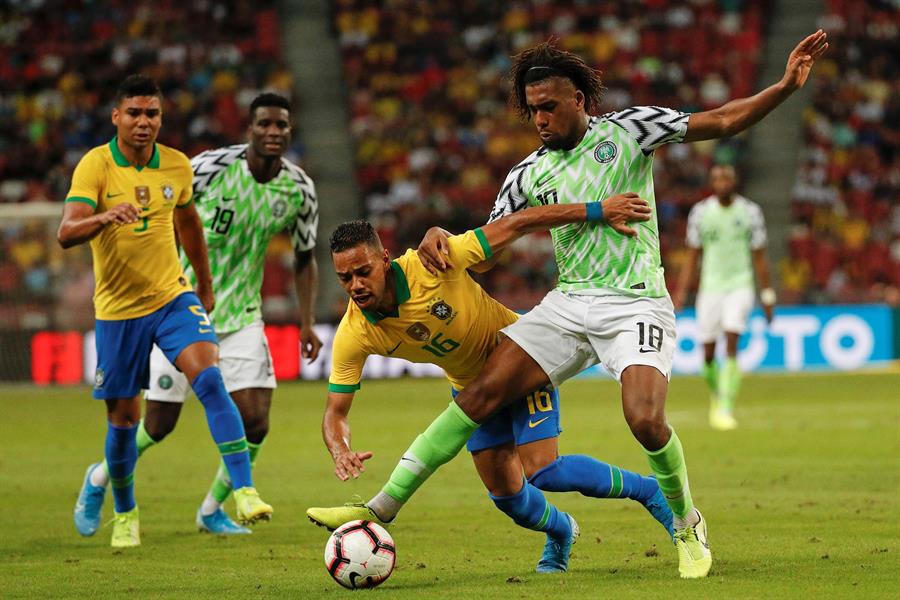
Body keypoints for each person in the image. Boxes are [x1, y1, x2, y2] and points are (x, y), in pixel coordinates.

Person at [308, 31, 828, 579]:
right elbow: (487, 248)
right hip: (568, 304)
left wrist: (785, 87)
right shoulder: (528, 173)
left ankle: (685, 521)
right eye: (532, 111)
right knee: (480, 393)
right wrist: (442, 232)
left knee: (645, 420)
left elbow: (721, 121)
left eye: (549, 107)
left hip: (636, 303)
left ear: (579, 100)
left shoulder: (630, 130)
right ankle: (380, 508)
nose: (540, 120)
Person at [308, 196, 673, 574]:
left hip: (523, 361)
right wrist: (339, 449)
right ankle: (561, 530)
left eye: (363, 271)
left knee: (545, 470)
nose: (355, 285)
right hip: (471, 391)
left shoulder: (434, 261)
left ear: (384, 259)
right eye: (345, 277)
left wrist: (597, 211)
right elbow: (336, 412)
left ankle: (647, 490)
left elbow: (518, 223)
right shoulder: (355, 331)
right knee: (508, 497)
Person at [72, 93, 320, 535]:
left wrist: (306, 321)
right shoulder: (209, 167)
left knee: (257, 420)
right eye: (264, 124)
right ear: (250, 129)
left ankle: (212, 509)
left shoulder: (299, 188)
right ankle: (99, 477)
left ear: (290, 131)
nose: (273, 133)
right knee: (159, 424)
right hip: (179, 307)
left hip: (243, 315)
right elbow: (173, 212)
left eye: (281, 126)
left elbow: (305, 255)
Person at [673, 165, 774, 431]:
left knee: (731, 341)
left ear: (734, 181)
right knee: (707, 354)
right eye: (717, 178)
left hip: (740, 285)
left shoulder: (750, 212)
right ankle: (718, 394)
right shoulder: (701, 213)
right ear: (711, 182)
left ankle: (726, 406)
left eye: (726, 177)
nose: (722, 182)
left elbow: (760, 257)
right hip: (710, 288)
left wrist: (767, 295)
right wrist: (681, 292)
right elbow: (692, 256)